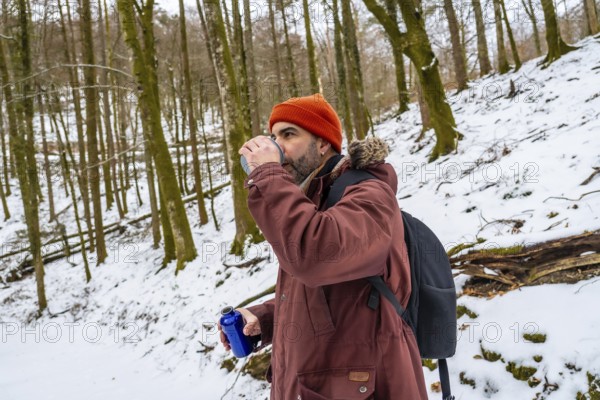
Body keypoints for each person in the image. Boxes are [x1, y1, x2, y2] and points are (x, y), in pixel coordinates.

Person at [221, 93, 428, 399]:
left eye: (289, 135)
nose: (277, 146)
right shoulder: (308, 203)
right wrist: (265, 319)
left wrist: (267, 174)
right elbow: (334, 301)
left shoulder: (369, 194)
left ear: (322, 144)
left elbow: (314, 257)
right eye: (273, 136)